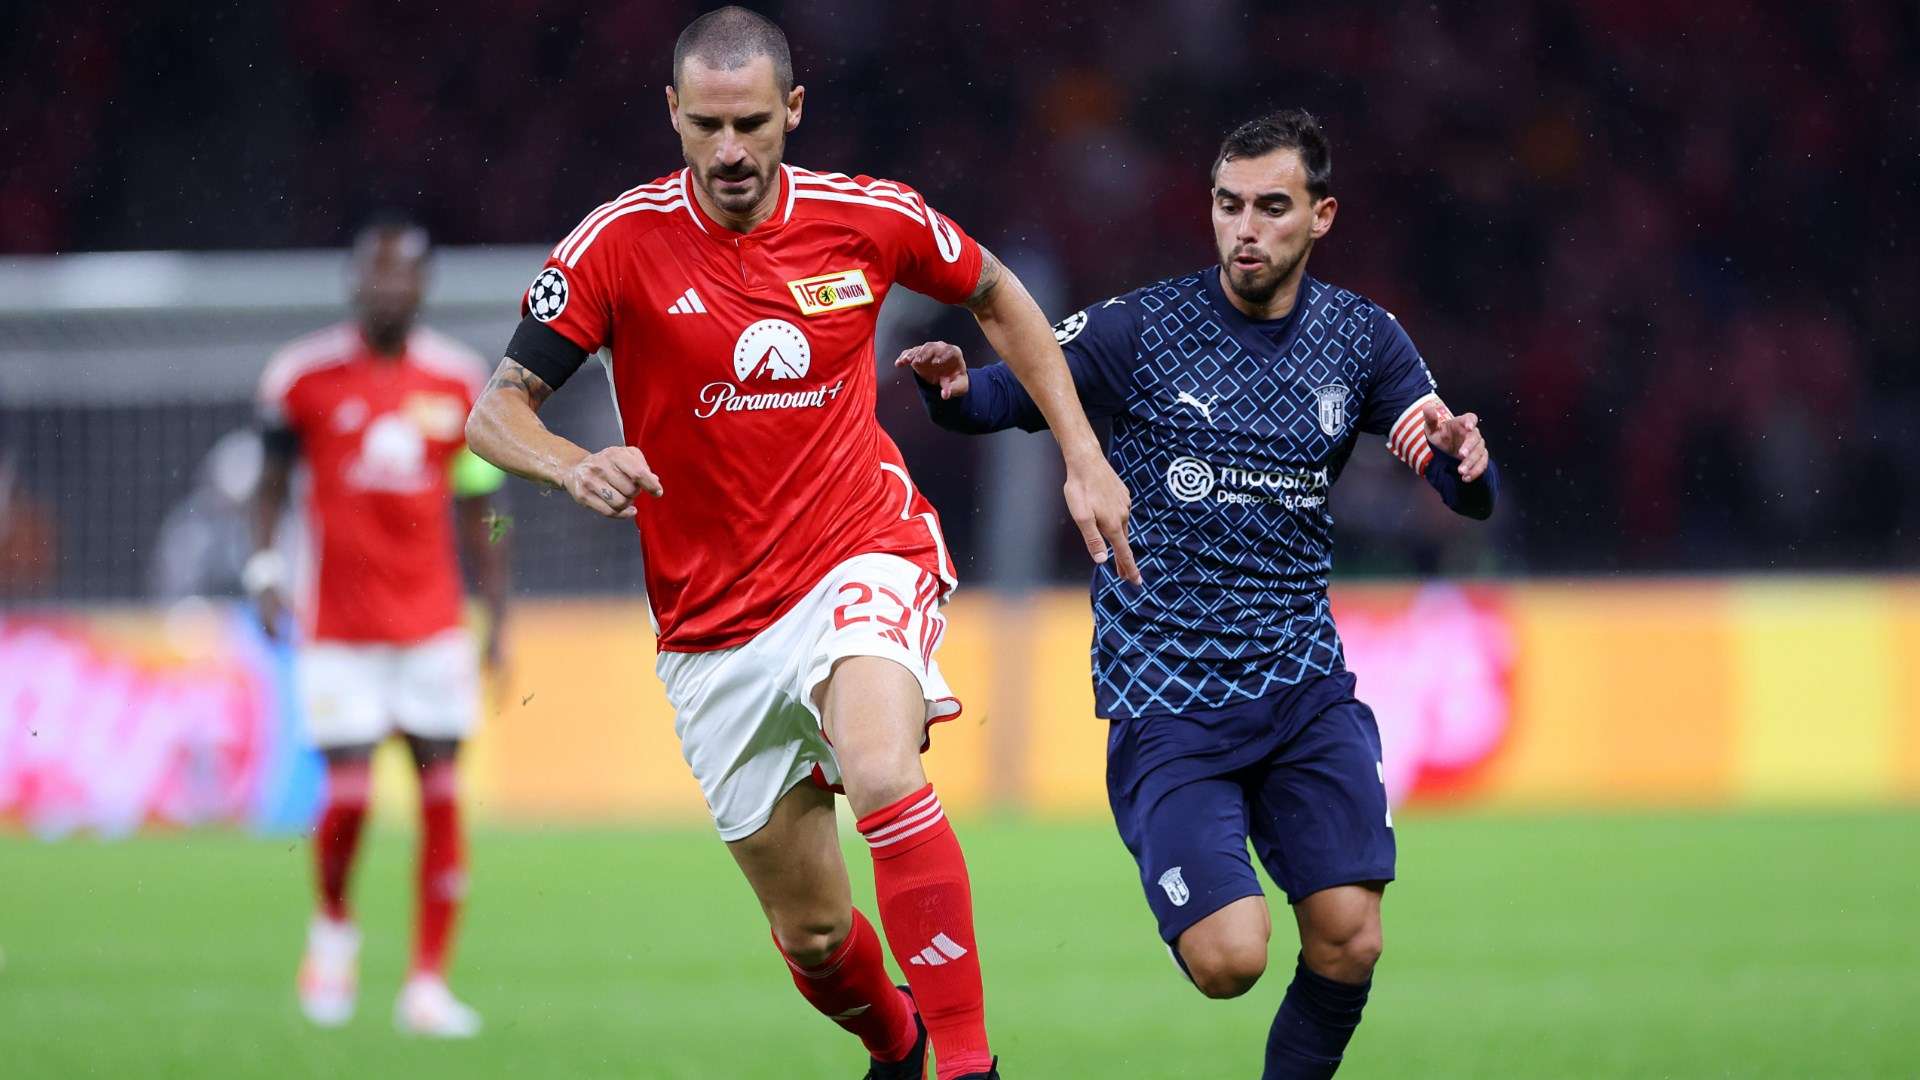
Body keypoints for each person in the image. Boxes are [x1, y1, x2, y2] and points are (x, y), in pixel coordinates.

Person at [464, 8, 1133, 1078]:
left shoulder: (866, 218)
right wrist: (570, 462)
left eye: (754, 124)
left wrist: (1082, 455)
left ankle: (968, 1062)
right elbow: (495, 411)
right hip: (710, 627)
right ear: (674, 114)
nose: (732, 152)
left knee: (877, 765)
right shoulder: (615, 244)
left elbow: (998, 293)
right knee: (816, 938)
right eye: (710, 126)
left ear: (795, 112)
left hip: (860, 550)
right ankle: (902, 1044)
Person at [900, 109, 1497, 1078]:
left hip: (1304, 688)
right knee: (1230, 961)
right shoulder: (1142, 327)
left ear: (1321, 216)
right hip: (1168, 702)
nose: (1245, 228)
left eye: (1271, 207)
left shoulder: (1364, 340)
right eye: (1228, 206)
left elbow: (1461, 488)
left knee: (1350, 939)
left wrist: (1467, 464)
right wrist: (952, 391)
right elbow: (1017, 391)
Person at [248, 218, 510, 1038]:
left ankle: (426, 984)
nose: (388, 288)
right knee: (353, 797)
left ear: (423, 287)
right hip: (338, 628)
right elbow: (267, 487)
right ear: (354, 281)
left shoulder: (458, 382)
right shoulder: (302, 378)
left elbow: (484, 513)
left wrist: (496, 617)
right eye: (376, 275)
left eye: (404, 277)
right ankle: (333, 924)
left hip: (431, 626)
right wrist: (263, 571)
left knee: (440, 798)